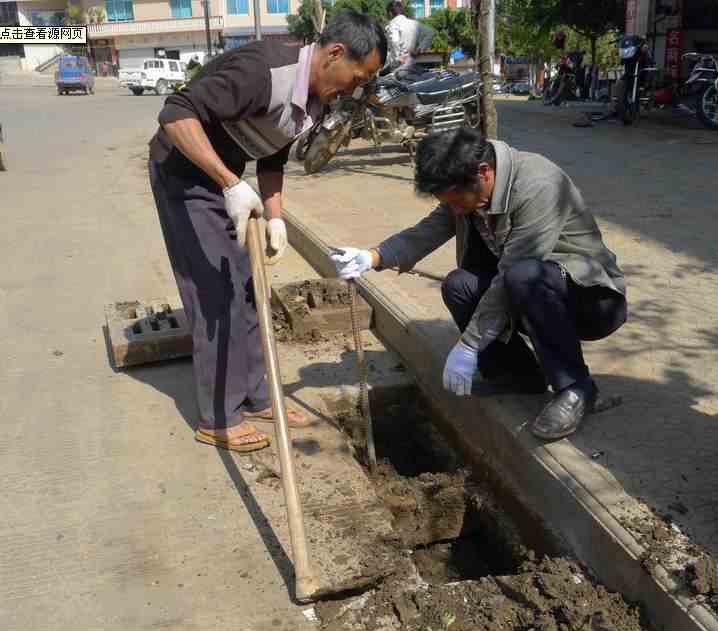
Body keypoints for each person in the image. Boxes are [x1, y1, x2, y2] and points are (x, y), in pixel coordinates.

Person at [149, 10, 387, 453]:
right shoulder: (263, 72)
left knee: (248, 289)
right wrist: (231, 184)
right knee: (214, 294)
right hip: (184, 172)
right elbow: (176, 113)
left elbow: (273, 156)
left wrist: (276, 216)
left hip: (226, 177)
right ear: (335, 53)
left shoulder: (318, 97)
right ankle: (219, 417)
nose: (357, 86)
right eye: (359, 75)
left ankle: (259, 397)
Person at [331, 128, 627, 441]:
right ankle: (518, 375)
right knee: (459, 285)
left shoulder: (539, 185)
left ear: (483, 173)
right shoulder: (467, 186)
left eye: (457, 200)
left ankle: (576, 388)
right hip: (529, 291)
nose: (455, 209)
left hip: (590, 300)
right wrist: (373, 256)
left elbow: (514, 270)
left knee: (521, 275)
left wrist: (470, 343)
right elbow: (428, 230)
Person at [385, 0, 434, 72]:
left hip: (396, 67)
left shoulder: (392, 25)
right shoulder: (414, 23)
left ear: (390, 13)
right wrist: (419, 49)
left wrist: (399, 57)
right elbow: (430, 32)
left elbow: (394, 41)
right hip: (411, 63)